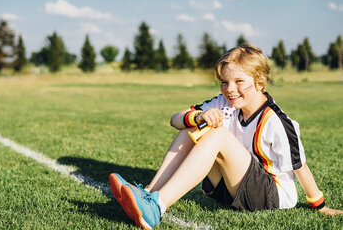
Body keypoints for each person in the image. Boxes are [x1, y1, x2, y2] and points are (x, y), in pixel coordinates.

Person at [109, 43, 343, 229]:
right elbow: (175, 119)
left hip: (270, 196)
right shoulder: (224, 103)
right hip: (230, 190)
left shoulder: (277, 121)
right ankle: (149, 194)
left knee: (217, 135)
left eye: (239, 81)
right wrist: (200, 117)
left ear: (260, 82)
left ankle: (157, 208)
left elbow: (299, 165)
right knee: (194, 125)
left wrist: (318, 204)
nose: (230, 89)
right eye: (224, 82)